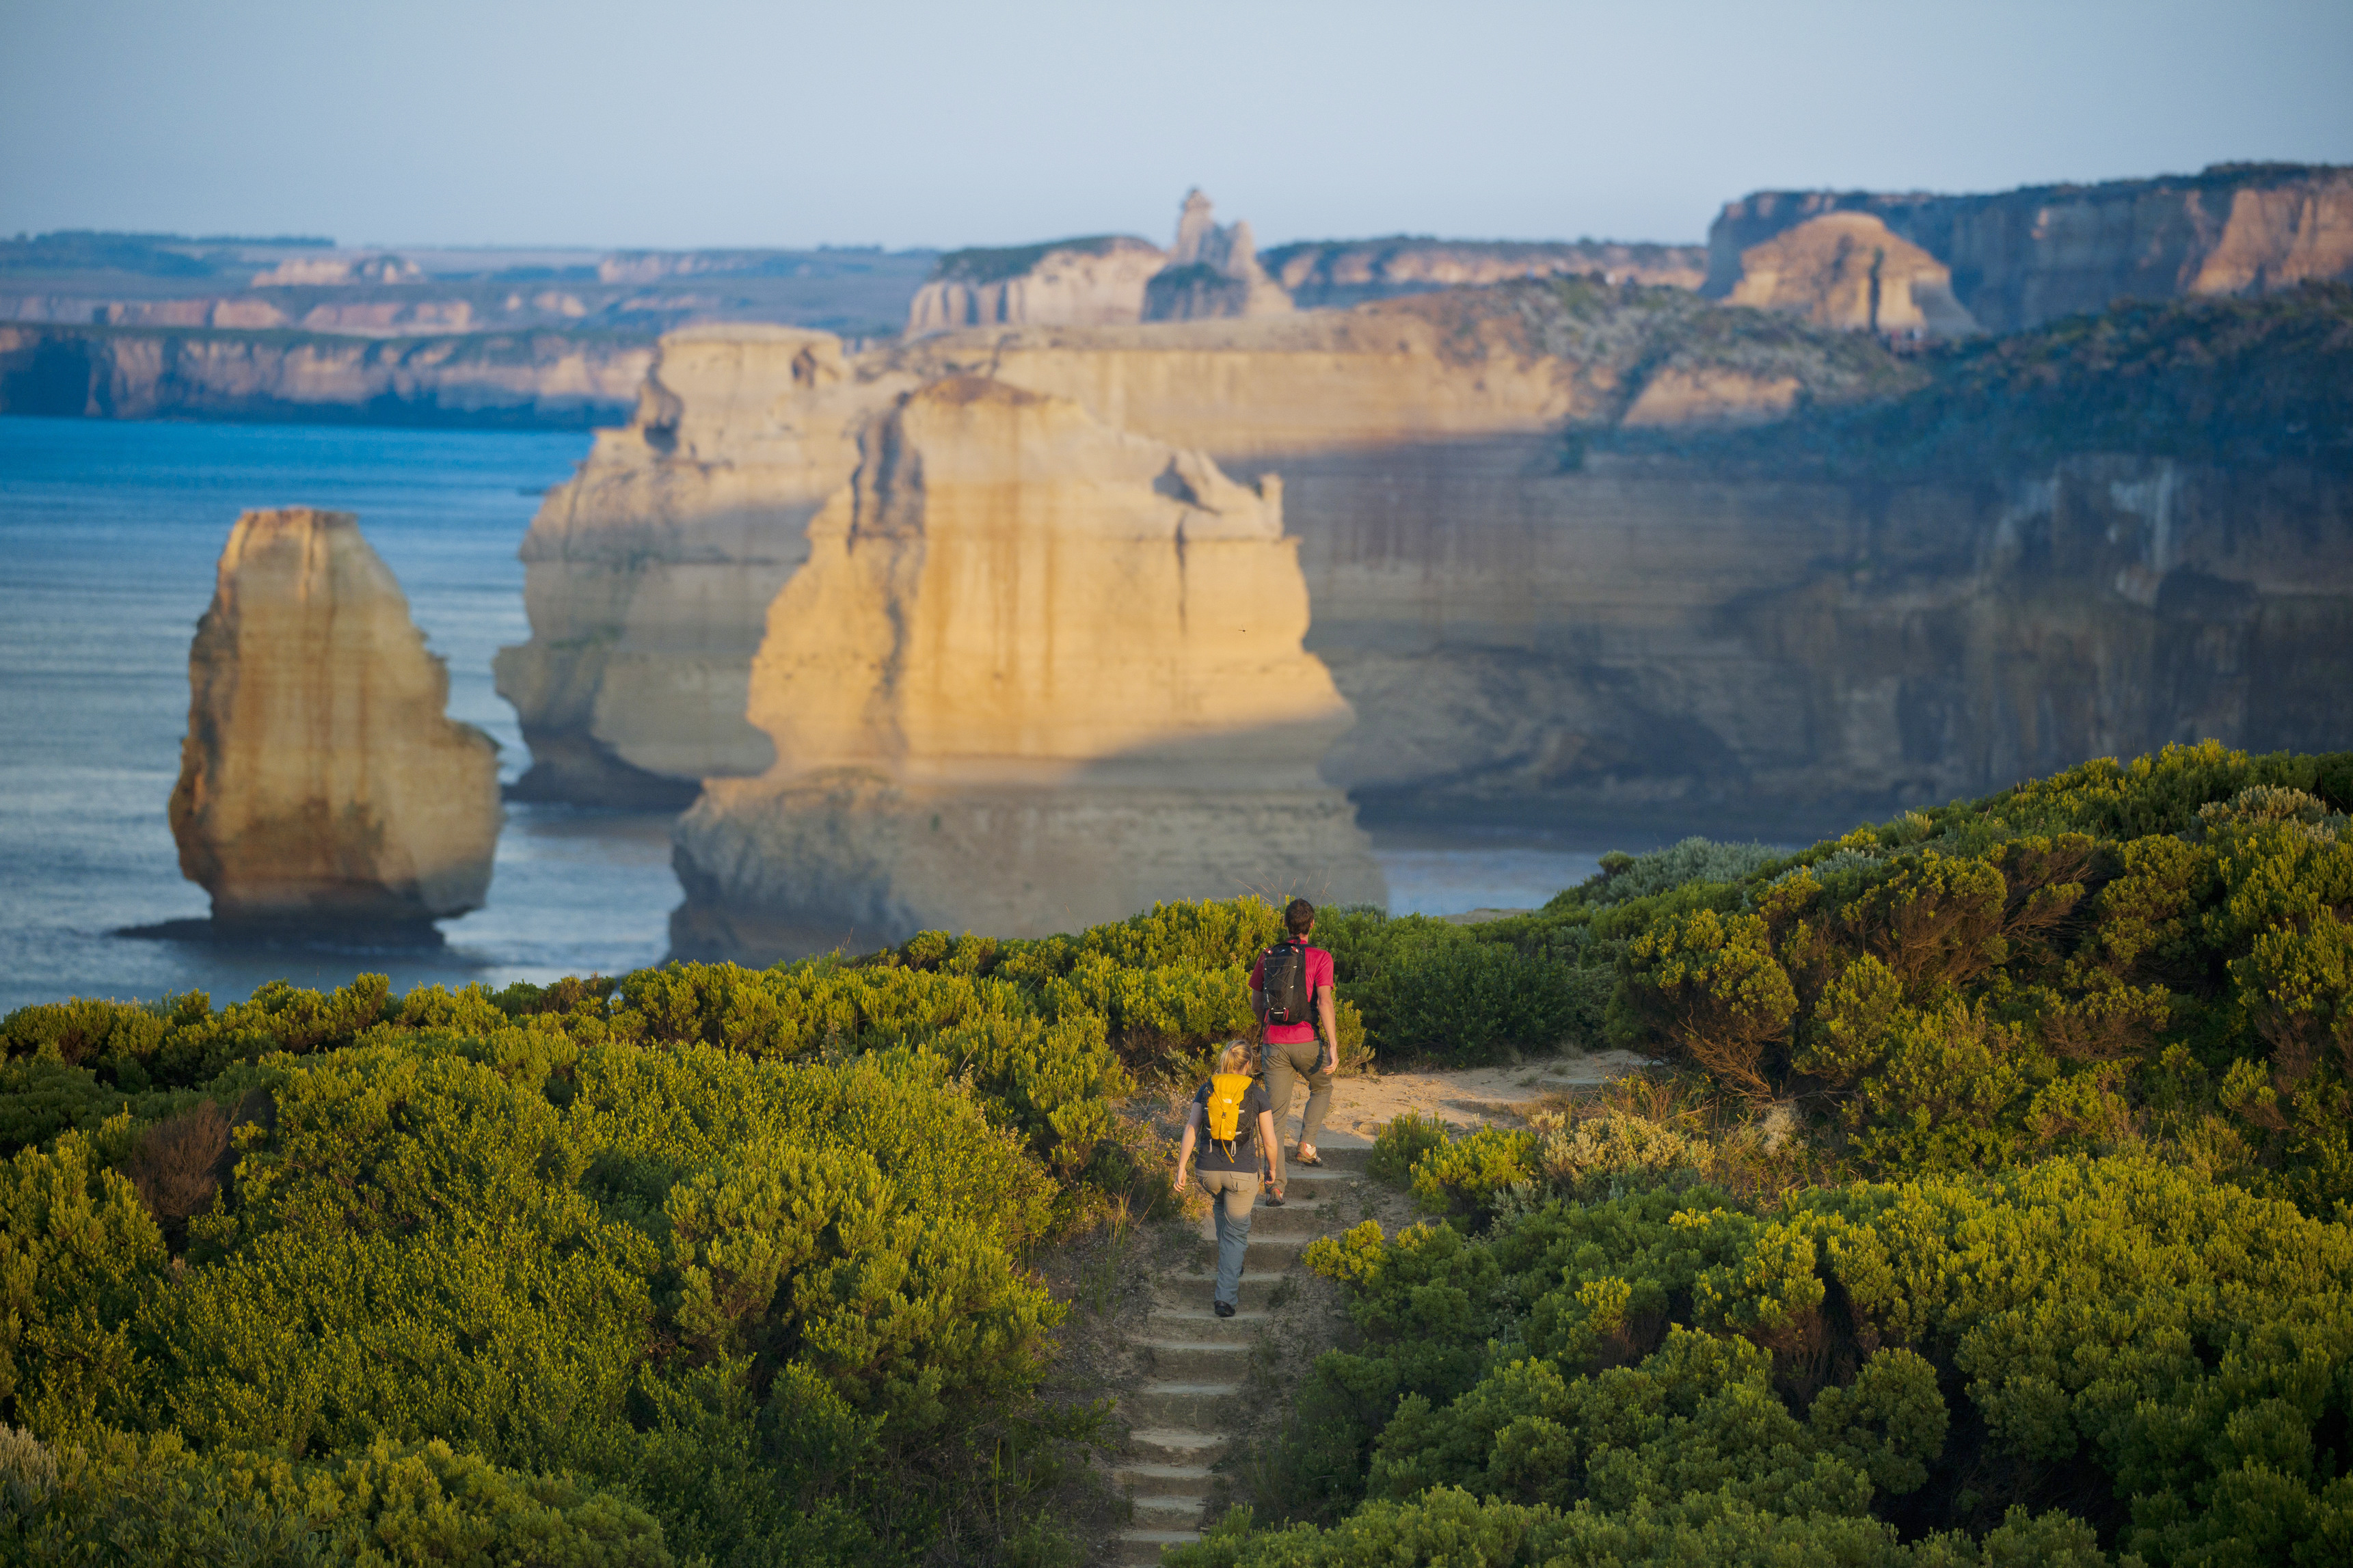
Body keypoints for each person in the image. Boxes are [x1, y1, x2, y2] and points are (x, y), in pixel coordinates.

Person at [1173, 1040, 1278, 1317]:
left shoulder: (1207, 1087)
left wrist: (1182, 1166)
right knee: (1236, 1232)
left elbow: (1191, 1127)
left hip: (1207, 1171)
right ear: (1247, 1065)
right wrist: (1273, 1170)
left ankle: (1233, 1263)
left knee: (1221, 1208)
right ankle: (1225, 1299)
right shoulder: (1256, 1092)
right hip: (1242, 1174)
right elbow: (1270, 1141)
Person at [1250, 897, 1338, 1185]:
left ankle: (1275, 1188)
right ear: (1312, 924)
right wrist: (1333, 1046)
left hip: (1274, 1043)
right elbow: (1324, 1002)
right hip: (1307, 1042)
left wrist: (1270, 1025)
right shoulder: (1321, 956)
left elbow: (1255, 1002)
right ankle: (1307, 1146)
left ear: (1286, 924)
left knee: (1274, 1117)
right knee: (1322, 1087)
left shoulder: (1268, 955)